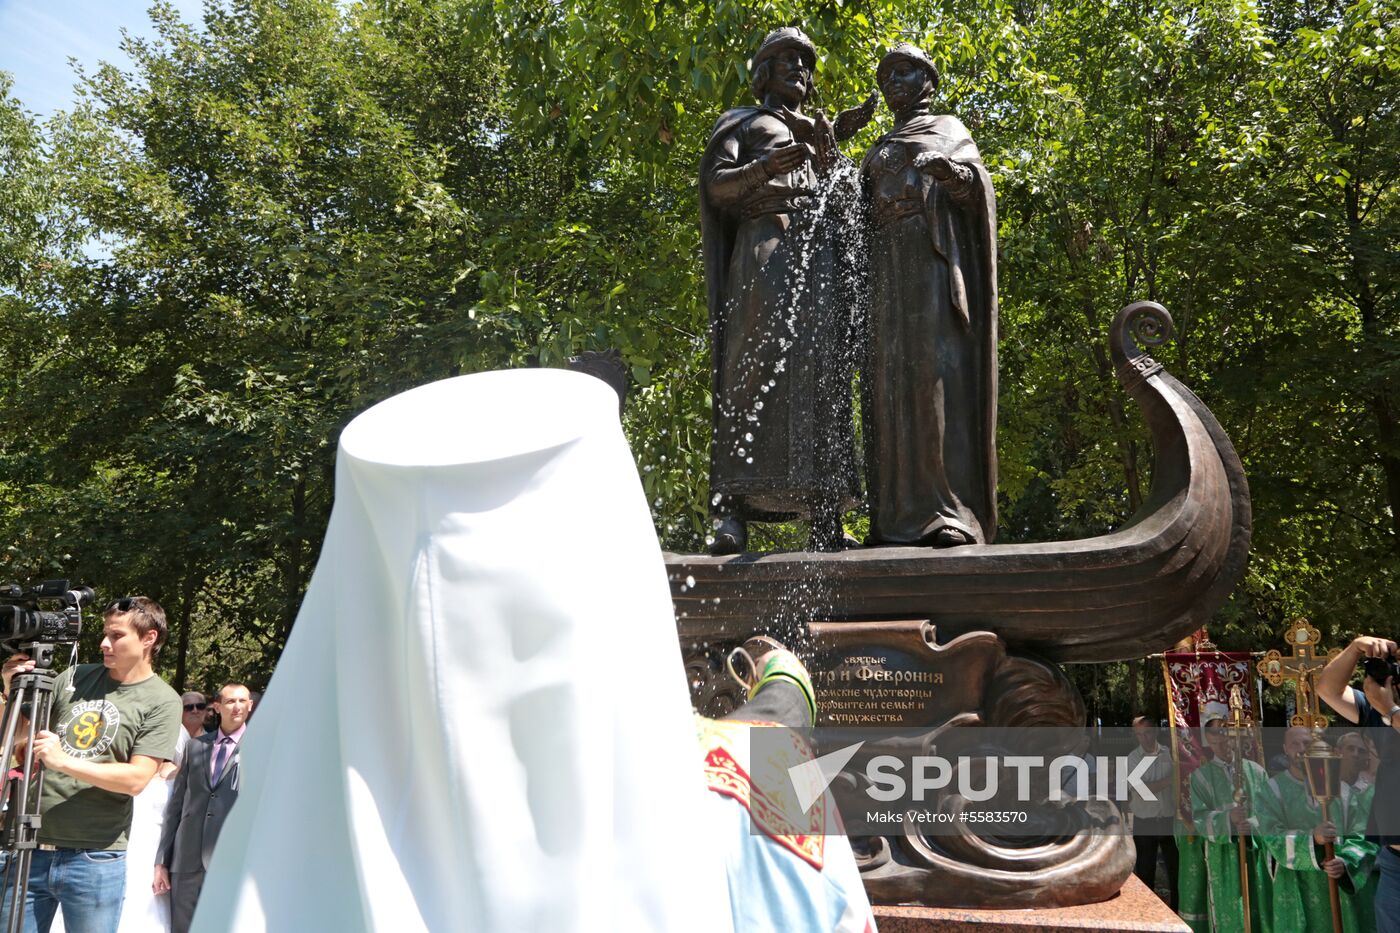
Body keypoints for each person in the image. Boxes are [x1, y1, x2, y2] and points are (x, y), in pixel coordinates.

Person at [699, 25, 861, 554]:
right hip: (765, 246)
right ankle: (731, 511)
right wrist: (766, 167)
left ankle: (825, 514)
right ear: (763, 71)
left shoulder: (816, 129)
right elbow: (717, 186)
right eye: (789, 59)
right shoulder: (741, 122)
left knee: (822, 369)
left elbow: (845, 196)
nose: (801, 69)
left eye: (806, 63)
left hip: (819, 255)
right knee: (754, 361)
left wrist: (831, 154)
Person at [859, 43, 998, 547]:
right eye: (886, 77)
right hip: (883, 269)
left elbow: (973, 188)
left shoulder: (948, 129)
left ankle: (947, 513)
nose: (893, 83)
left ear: (927, 80)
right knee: (887, 384)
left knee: (931, 379)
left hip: (929, 259)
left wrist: (947, 171)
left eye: (903, 72)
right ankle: (891, 518)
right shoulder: (877, 146)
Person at [0, 596, 183, 933]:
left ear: (149, 638)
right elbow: (15, 735)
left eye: (116, 636)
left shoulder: (162, 700)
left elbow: (137, 779)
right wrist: (10, 689)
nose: (104, 643)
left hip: (94, 856)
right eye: (104, 633)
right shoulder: (75, 677)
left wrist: (63, 761)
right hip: (30, 846)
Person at [1254, 726, 1376, 933]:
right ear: (1285, 748)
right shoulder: (1271, 789)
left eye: (1307, 744)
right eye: (1295, 744)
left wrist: (1346, 862)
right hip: (1294, 886)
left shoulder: (1343, 791)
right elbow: (1270, 835)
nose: (1302, 749)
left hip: (1336, 881)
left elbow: (1362, 834)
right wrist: (1312, 838)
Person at [1317, 635, 1400, 933]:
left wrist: (1392, 712)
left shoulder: (1389, 712)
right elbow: (1328, 689)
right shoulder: (1380, 712)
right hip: (1394, 863)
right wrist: (1354, 648)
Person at [155, 682, 251, 932]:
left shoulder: (260, 747)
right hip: (187, 860)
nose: (237, 706)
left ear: (250, 705)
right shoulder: (195, 746)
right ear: (217, 707)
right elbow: (176, 806)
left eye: (243, 701)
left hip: (232, 859)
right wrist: (162, 861)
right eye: (230, 701)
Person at [1189, 717, 1271, 932]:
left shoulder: (1256, 771)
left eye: (1225, 732)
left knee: (1258, 903)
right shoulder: (1200, 777)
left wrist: (1251, 824)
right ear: (1207, 739)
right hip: (1222, 854)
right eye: (1214, 734)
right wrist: (1229, 820)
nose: (1221, 739)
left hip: (1255, 849)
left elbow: (1270, 812)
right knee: (1230, 907)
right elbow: (1199, 818)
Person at [1127, 715, 1179, 910]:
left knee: (1176, 870)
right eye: (1139, 734)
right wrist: (1169, 780)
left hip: (1169, 819)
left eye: (1147, 733)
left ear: (1155, 731)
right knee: (1145, 871)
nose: (1144, 738)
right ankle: (1146, 912)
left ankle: (1177, 911)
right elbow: (1141, 789)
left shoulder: (1170, 753)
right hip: (1145, 821)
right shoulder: (1133, 758)